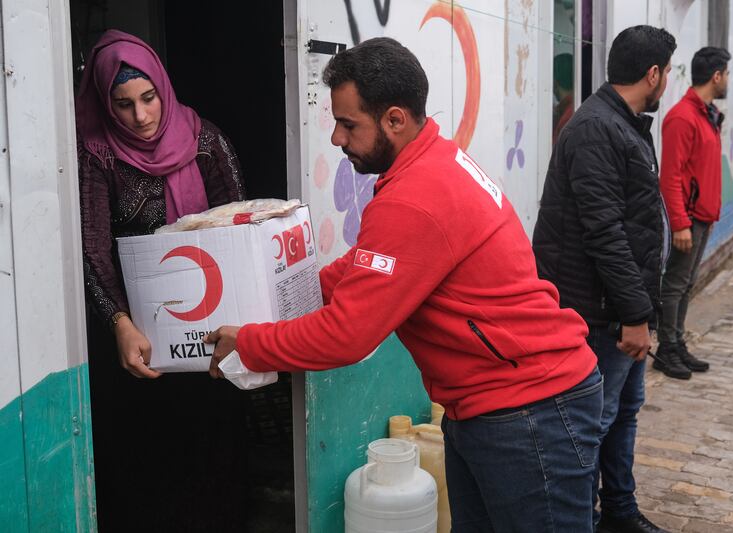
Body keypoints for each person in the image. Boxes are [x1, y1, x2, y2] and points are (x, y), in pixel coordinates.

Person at [208, 37, 603, 532]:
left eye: (348, 124)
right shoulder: (432, 162)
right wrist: (293, 291)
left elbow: (347, 335)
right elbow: (368, 262)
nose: (335, 138)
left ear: (395, 119)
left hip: (528, 410)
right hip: (495, 408)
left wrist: (248, 344)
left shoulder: (412, 199)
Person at [76, 29, 248, 532]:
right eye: (124, 104)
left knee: (211, 439)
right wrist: (120, 323)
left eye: (148, 98)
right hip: (140, 338)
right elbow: (92, 247)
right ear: (107, 105)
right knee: (146, 449)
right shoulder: (97, 157)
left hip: (210, 328)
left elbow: (238, 225)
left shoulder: (204, 141)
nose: (142, 116)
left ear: (163, 90)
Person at [532, 26, 676, 533]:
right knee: (592, 424)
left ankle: (619, 510)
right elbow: (605, 233)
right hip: (596, 312)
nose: (668, 82)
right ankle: (585, 521)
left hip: (619, 305)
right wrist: (634, 315)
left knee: (624, 412)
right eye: (668, 72)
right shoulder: (597, 128)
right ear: (653, 74)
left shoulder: (625, 124)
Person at [655, 47, 730, 379]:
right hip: (687, 219)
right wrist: (680, 223)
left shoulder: (707, 115)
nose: (728, 80)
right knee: (674, 284)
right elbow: (670, 176)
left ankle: (677, 342)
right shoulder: (682, 117)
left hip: (703, 217)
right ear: (716, 76)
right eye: (726, 74)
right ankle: (666, 349)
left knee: (686, 284)